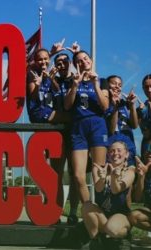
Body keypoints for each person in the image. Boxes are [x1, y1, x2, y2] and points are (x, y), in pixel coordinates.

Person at [26, 48, 71, 211]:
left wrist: (50, 77)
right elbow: (32, 95)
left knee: (56, 174)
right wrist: (38, 84)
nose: (43, 62)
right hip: (41, 117)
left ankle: (55, 210)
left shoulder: (51, 74)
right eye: (40, 60)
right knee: (74, 116)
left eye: (46, 59)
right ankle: (42, 206)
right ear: (35, 61)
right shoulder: (31, 73)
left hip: (53, 127)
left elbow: (58, 91)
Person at [64, 50, 109, 203]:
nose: (83, 62)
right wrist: (75, 86)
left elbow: (105, 106)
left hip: (97, 125)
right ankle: (89, 211)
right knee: (78, 175)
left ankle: (102, 211)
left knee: (99, 173)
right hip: (79, 127)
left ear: (91, 60)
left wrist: (95, 85)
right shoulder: (73, 80)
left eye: (85, 58)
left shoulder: (102, 81)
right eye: (79, 61)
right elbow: (67, 106)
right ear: (76, 65)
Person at [82, 141, 135, 249]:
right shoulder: (99, 169)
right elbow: (98, 188)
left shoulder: (130, 171)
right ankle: (96, 240)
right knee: (87, 206)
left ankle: (123, 237)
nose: (115, 153)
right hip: (103, 215)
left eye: (119, 150)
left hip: (121, 216)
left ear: (127, 154)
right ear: (108, 154)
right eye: (112, 151)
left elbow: (116, 190)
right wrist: (102, 178)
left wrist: (114, 177)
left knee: (112, 228)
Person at [50, 52, 79, 225]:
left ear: (70, 62)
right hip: (57, 133)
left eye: (64, 61)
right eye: (58, 62)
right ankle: (55, 212)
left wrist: (76, 53)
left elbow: (85, 65)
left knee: (76, 175)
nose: (61, 64)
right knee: (56, 175)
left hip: (75, 132)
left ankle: (74, 212)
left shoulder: (76, 78)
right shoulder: (51, 80)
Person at [105, 75, 138, 165]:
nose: (117, 86)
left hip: (129, 147)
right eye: (114, 83)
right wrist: (115, 107)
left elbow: (135, 126)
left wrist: (132, 106)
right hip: (113, 150)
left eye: (119, 85)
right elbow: (111, 129)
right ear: (107, 85)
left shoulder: (125, 104)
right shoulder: (104, 104)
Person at [128, 150, 151, 244]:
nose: (149, 153)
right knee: (133, 216)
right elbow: (137, 198)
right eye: (148, 151)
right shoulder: (144, 170)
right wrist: (142, 176)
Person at [137, 74, 151, 162]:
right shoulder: (142, 108)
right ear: (143, 88)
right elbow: (146, 133)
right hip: (147, 147)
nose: (149, 90)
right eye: (146, 87)